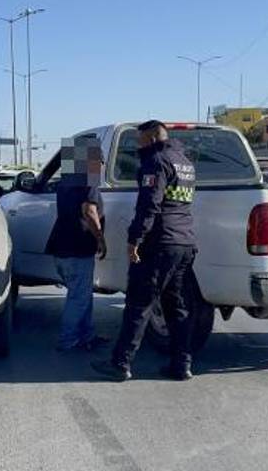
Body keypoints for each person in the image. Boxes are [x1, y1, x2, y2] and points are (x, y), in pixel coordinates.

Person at [93, 120, 197, 382]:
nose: (138, 146)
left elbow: (150, 204)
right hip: (183, 243)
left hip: (159, 243)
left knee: (139, 303)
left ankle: (120, 363)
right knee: (177, 308)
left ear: (151, 138)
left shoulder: (156, 160)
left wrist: (135, 239)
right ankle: (181, 364)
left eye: (139, 141)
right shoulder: (185, 163)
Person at [44, 138, 109, 352]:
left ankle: (86, 336)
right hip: (77, 248)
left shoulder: (65, 183)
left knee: (81, 294)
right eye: (100, 161)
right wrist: (100, 237)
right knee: (78, 297)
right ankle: (68, 340)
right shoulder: (88, 182)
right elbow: (89, 211)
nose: (101, 166)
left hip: (61, 248)